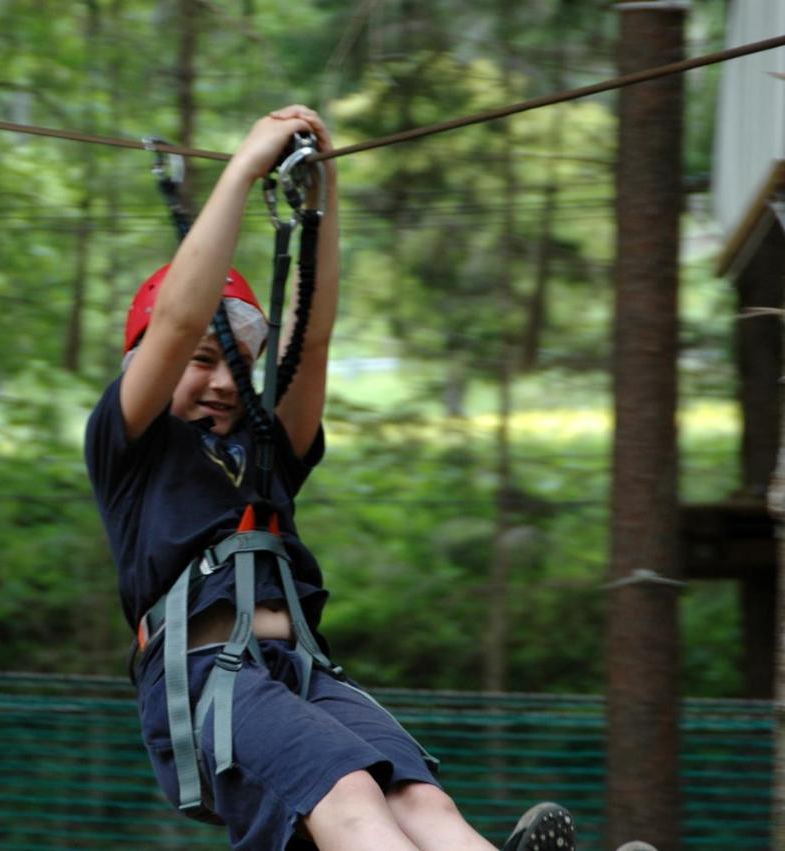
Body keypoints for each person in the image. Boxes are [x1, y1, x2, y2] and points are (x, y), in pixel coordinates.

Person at [85, 105, 580, 851]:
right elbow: (182, 320)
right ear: (150, 362)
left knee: (421, 800)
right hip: (206, 676)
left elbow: (310, 335)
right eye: (201, 362)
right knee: (349, 796)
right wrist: (245, 169)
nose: (222, 381)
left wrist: (323, 196)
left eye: (236, 365)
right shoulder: (130, 450)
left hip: (300, 672)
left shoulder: (264, 455)